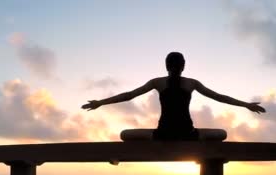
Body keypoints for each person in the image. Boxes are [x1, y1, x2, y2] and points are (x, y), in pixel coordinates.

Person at [82, 52, 265, 140]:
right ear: (184, 65)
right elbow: (219, 97)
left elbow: (129, 95)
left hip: (163, 134)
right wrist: (247, 105)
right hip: (188, 134)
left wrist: (100, 103)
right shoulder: (192, 83)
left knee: (125, 134)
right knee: (221, 134)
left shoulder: (158, 82)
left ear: (166, 65)